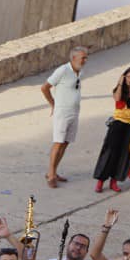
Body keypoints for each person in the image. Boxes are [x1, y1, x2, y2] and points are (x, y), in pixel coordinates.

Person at [41, 45, 87, 188]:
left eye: (85, 57)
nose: (85, 60)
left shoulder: (79, 71)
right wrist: (53, 103)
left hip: (74, 112)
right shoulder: (63, 70)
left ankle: (54, 171)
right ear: (74, 58)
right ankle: (51, 174)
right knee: (58, 142)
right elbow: (45, 87)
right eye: (83, 58)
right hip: (63, 112)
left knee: (66, 142)